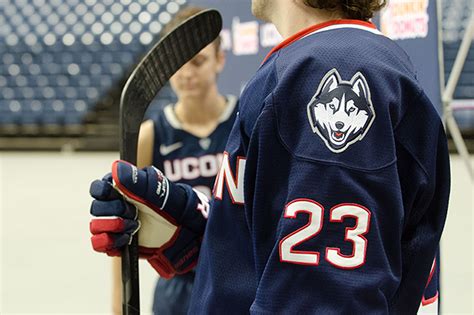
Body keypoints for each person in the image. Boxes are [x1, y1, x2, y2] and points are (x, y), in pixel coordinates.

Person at [90, 0, 450, 313]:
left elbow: (324, 290)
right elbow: (277, 244)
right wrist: (183, 225)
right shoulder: (319, 61)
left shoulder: (324, 69)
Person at [109, 6, 237, 314]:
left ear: (220, 60)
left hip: (235, 280)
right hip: (177, 288)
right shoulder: (150, 135)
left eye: (198, 61)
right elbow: (123, 231)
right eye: (179, 64)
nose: (187, 73)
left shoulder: (243, 123)